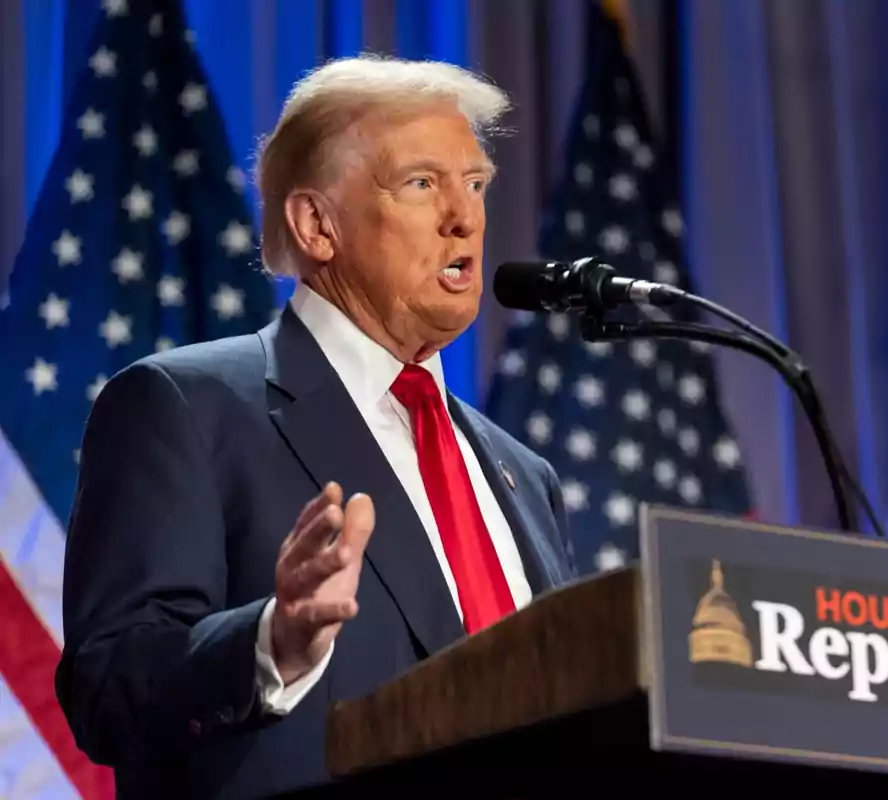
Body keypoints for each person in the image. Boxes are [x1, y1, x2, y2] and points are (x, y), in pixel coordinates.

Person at [54, 55, 577, 799]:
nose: (465, 216)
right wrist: (273, 641)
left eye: (476, 183)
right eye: (422, 183)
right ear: (316, 224)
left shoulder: (523, 474)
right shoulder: (182, 406)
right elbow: (111, 687)